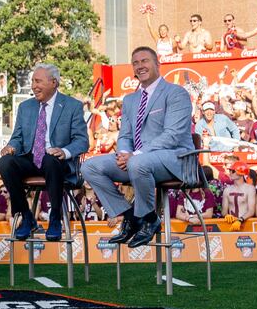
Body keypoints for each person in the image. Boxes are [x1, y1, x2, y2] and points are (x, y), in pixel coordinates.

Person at [82, 47, 195, 248]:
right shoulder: (130, 99)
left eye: (145, 61)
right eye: (135, 63)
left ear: (157, 63)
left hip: (174, 159)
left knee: (138, 162)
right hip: (137, 161)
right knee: (89, 167)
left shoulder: (176, 93)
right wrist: (125, 153)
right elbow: (125, 135)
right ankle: (134, 217)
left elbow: (173, 135)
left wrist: (135, 154)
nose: (140, 66)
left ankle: (147, 218)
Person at [0, 63, 88, 242]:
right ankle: (26, 216)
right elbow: (17, 137)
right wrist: (11, 146)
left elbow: (82, 141)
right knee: (5, 163)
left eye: (38, 81)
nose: (33, 86)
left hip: (57, 162)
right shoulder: (26, 107)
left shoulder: (72, 106)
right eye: (32, 81)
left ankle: (55, 218)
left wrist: (64, 151)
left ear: (54, 82)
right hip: (30, 159)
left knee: (51, 159)